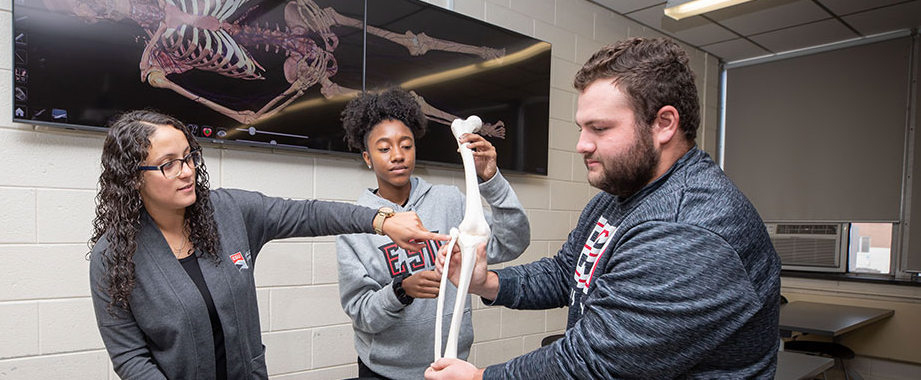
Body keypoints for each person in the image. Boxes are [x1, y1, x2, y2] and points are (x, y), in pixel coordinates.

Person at [427, 37, 782, 379]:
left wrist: (479, 378)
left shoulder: (688, 229)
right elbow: (567, 273)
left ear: (664, 124)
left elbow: (597, 363)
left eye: (599, 128)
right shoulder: (621, 196)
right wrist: (487, 283)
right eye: (583, 128)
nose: (581, 145)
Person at [88, 109, 448, 380]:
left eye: (189, 157)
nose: (186, 171)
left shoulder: (228, 211)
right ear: (133, 180)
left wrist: (382, 221)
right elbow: (130, 357)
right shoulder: (114, 254)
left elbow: (308, 214)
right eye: (168, 164)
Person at [335, 86, 531, 379]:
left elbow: (511, 242)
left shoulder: (449, 201)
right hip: (383, 371)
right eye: (384, 148)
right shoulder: (356, 224)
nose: (398, 155)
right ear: (367, 157)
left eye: (406, 145)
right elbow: (362, 313)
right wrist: (402, 291)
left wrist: (491, 178)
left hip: (450, 365)